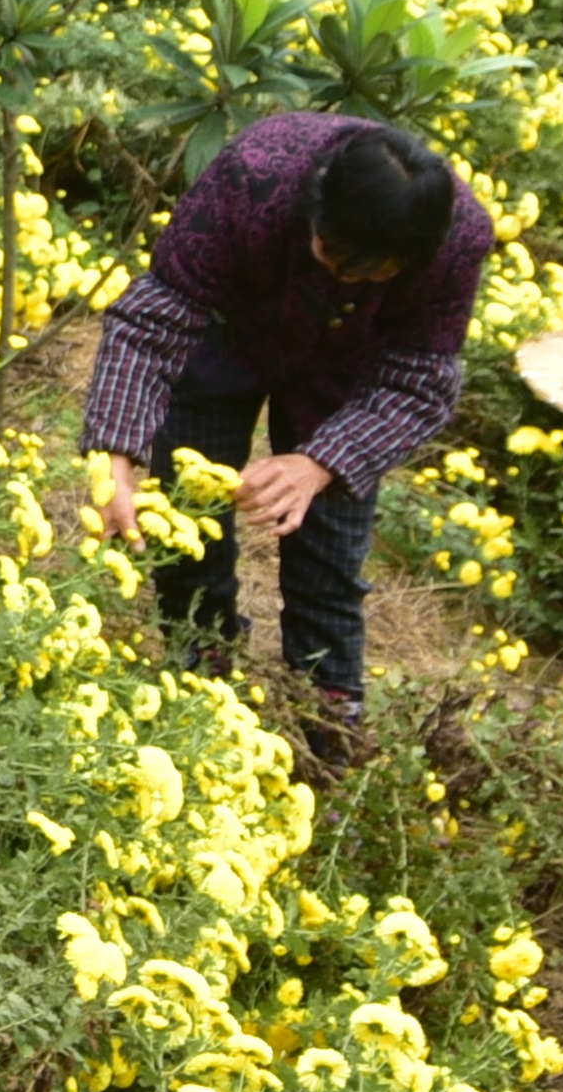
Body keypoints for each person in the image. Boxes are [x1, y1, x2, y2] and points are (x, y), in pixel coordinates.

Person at [77, 108, 493, 742]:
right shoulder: (256, 175)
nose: (344, 278)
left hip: (348, 376)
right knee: (188, 528)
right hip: (228, 333)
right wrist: (116, 453)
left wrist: (320, 462)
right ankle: (199, 691)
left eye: (371, 273)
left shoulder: (457, 239)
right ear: (314, 211)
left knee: (328, 566)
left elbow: (421, 379)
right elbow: (154, 318)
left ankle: (323, 734)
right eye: (333, 254)